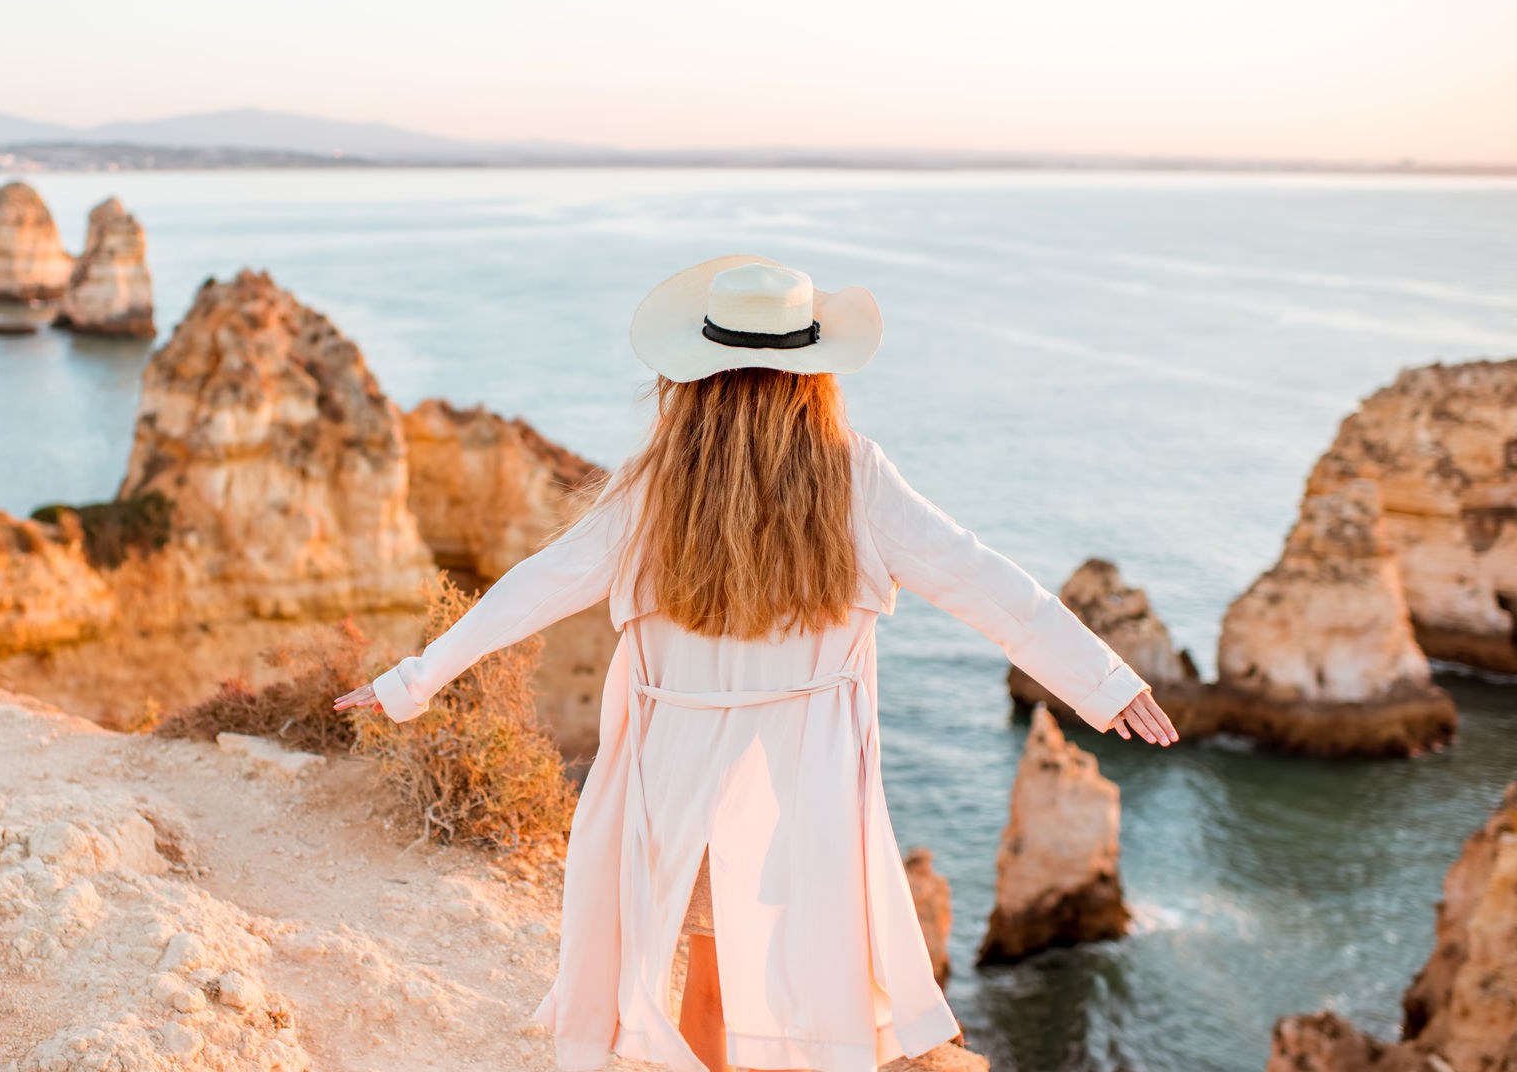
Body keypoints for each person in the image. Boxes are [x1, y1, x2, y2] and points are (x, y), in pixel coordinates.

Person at [335, 255, 1179, 1072]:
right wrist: (1104, 682)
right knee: (800, 988)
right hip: (805, 783)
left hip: (680, 781)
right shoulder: (856, 478)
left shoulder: (652, 485)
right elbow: (981, 579)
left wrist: (413, 681)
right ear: (814, 375)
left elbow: (533, 587)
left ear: (695, 374)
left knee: (710, 981)